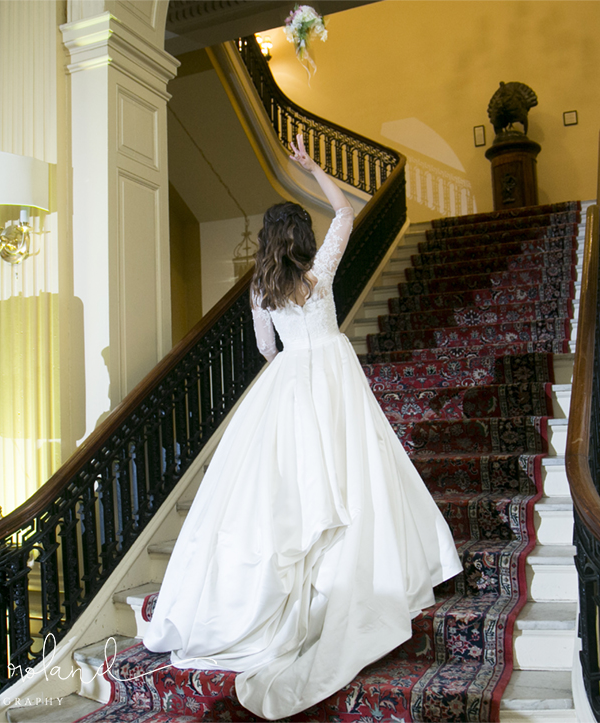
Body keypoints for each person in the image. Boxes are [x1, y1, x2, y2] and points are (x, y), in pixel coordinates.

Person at [143, 136, 462, 720]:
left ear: (267, 244)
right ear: (304, 240)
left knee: (287, 488)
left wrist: (292, 366)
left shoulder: (260, 289)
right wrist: (313, 167)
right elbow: (346, 210)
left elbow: (266, 349)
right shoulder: (320, 272)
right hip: (333, 370)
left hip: (287, 380)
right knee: (355, 470)